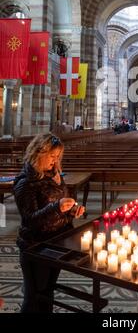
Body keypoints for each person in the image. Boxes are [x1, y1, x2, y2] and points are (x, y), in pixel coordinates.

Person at [13, 134, 85, 313]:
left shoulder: (55, 175)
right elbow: (30, 220)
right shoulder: (25, 182)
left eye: (58, 156)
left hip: (55, 244)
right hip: (35, 247)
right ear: (39, 153)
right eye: (52, 156)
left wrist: (71, 211)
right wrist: (56, 207)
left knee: (47, 294)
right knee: (33, 298)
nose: (55, 160)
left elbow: (61, 209)